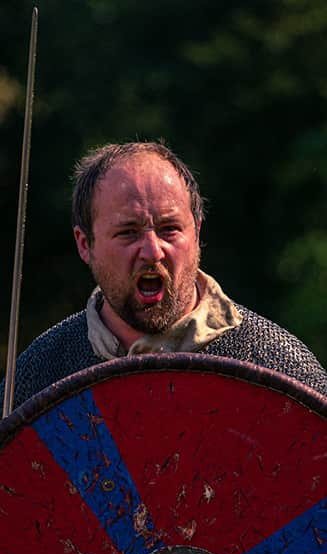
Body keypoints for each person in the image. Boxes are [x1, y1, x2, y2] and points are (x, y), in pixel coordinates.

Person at [1, 140, 326, 412]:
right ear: (85, 245)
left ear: (197, 233)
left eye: (170, 229)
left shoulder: (276, 367)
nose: (153, 251)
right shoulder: (39, 378)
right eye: (129, 232)